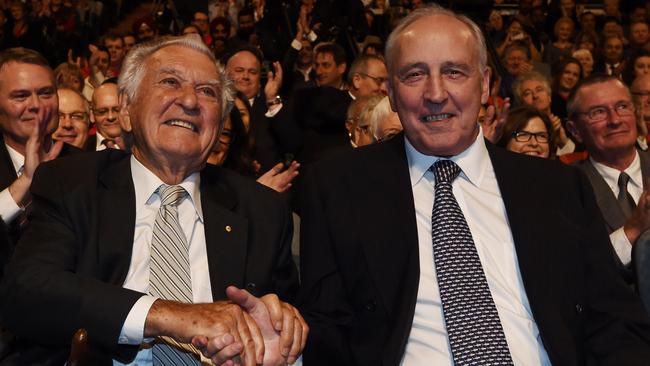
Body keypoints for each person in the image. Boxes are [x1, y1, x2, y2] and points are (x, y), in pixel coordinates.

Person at [297, 5, 650, 365]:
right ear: (390, 90)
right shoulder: (338, 187)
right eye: (415, 75)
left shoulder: (557, 186)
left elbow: (614, 321)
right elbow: (326, 328)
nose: (436, 93)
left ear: (484, 84)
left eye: (453, 72)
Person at [0, 35, 307, 365]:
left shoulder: (262, 210)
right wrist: (172, 316)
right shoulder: (73, 183)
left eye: (208, 92)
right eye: (170, 82)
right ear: (127, 110)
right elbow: (27, 292)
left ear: (219, 124)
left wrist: (279, 341)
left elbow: (281, 325)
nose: (190, 101)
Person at [566, 75, 650, 277]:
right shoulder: (564, 189)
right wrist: (633, 229)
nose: (615, 120)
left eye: (622, 107)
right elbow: (572, 272)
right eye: (598, 112)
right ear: (575, 130)